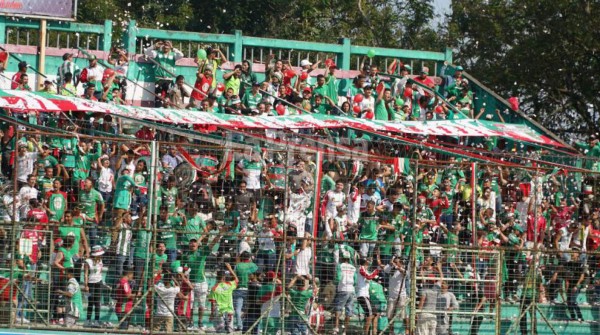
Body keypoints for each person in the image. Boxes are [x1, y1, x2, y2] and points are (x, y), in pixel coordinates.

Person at [144, 40, 184, 108]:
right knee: (158, 99)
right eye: (165, 45)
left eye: (168, 45)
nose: (166, 46)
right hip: (159, 79)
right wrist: (154, 46)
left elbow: (181, 55)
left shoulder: (174, 55)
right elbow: (146, 52)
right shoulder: (157, 53)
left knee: (168, 99)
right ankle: (158, 113)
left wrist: (172, 48)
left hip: (169, 80)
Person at [209, 263, 238, 333]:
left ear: (216, 277)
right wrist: (230, 269)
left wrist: (212, 314)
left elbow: (213, 303)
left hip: (219, 313)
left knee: (219, 331)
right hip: (229, 312)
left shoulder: (214, 288)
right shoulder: (229, 285)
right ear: (224, 277)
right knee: (230, 331)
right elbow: (236, 279)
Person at [333, 255, 356, 335]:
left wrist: (335, 283)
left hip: (343, 289)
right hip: (351, 290)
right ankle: (345, 331)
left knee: (338, 309)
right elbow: (355, 280)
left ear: (342, 258)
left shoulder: (340, 266)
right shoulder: (353, 267)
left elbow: (338, 278)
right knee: (348, 311)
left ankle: (336, 328)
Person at [83, 245, 105, 327]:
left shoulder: (100, 260)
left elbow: (100, 272)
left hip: (99, 282)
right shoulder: (88, 261)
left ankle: (96, 320)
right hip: (91, 283)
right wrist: (86, 285)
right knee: (90, 302)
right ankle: (88, 320)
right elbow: (85, 274)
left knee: (97, 302)